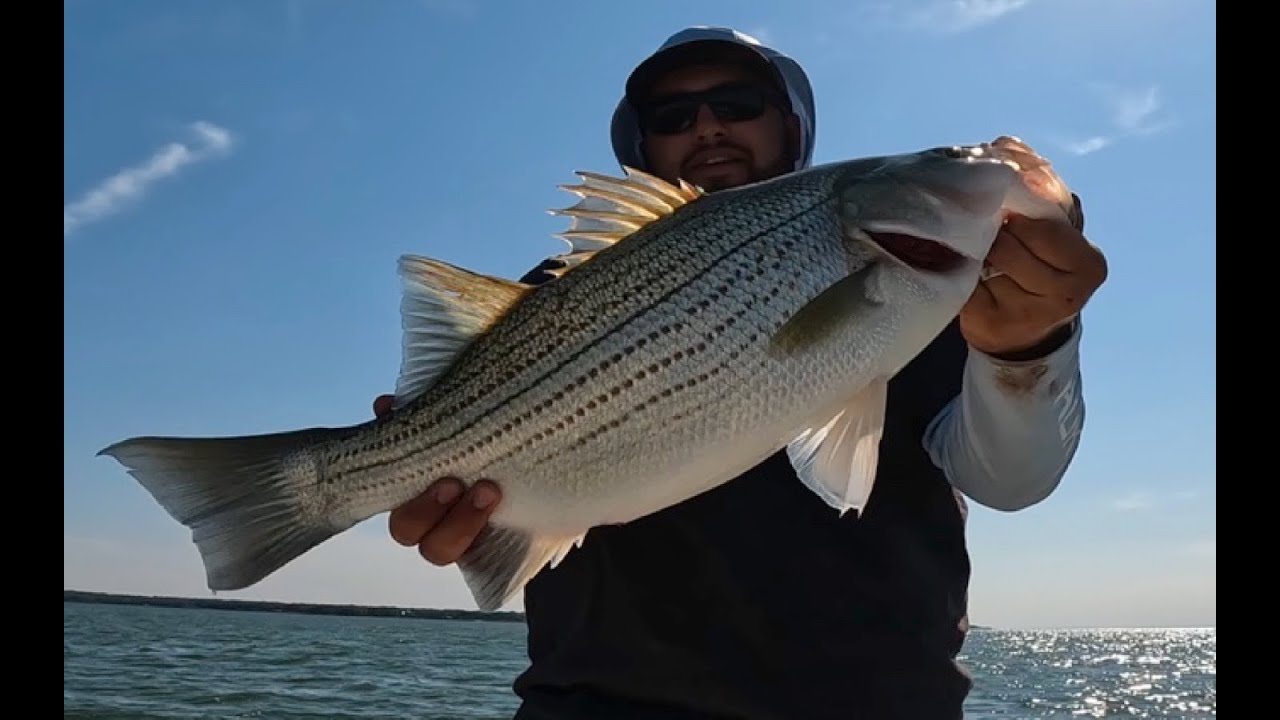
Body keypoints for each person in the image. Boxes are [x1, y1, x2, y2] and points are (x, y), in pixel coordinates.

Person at [375, 26, 1107, 720]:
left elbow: (1010, 480)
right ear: (640, 141)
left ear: (792, 126)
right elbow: (470, 495)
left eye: (738, 104)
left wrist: (1026, 347)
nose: (707, 127)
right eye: (671, 114)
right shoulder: (554, 294)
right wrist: (443, 490)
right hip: (596, 703)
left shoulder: (953, 284)